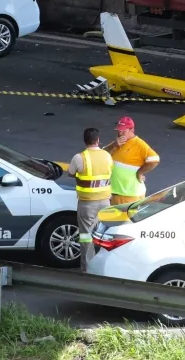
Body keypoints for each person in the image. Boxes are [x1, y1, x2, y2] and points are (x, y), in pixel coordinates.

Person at [67, 127, 112, 272]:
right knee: (104, 234)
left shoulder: (80, 157)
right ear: (98, 140)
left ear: (85, 141)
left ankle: (87, 270)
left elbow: (71, 173)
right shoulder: (107, 155)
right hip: (105, 201)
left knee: (86, 235)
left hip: (87, 202)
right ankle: (104, 266)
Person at [103, 116, 159, 206]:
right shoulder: (117, 142)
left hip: (129, 195)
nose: (120, 133)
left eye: (123, 131)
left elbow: (155, 160)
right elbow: (101, 155)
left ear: (131, 130)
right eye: (118, 130)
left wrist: (140, 173)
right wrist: (114, 145)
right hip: (117, 193)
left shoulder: (139, 144)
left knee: (124, 220)